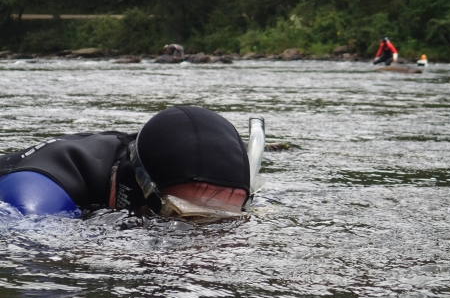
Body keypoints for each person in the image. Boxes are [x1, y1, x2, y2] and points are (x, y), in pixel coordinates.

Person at [0, 106, 260, 219]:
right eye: (187, 219)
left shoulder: (230, 191)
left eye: (226, 220)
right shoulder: (32, 199)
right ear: (131, 189)